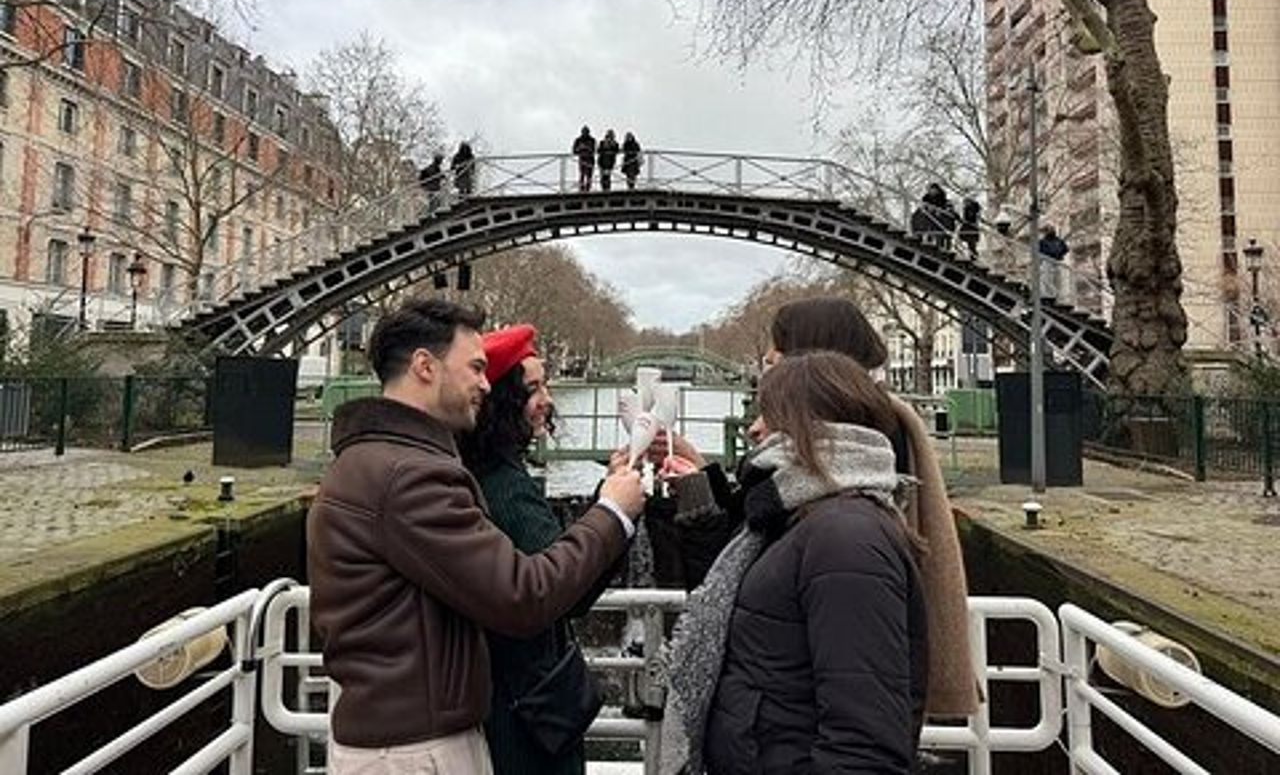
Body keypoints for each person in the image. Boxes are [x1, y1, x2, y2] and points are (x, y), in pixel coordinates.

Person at [307, 298, 644, 774]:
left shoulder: (371, 460)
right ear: (425, 366)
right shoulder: (412, 476)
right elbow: (523, 594)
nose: (484, 384)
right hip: (416, 750)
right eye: (476, 368)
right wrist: (613, 512)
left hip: (399, 734)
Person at [659, 352, 972, 773]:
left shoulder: (846, 540)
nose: (752, 429)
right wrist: (697, 493)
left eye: (768, 414)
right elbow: (745, 618)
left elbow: (863, 744)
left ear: (811, 426)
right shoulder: (799, 518)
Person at [457, 324, 608, 775]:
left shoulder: (478, 472)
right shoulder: (508, 491)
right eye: (534, 388)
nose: (547, 400)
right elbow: (568, 590)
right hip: (529, 713)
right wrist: (618, 512)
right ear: (503, 402)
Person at [1039, 224, 1070, 300]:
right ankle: (1051, 293)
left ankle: (1056, 294)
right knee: (1046, 279)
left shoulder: (1058, 241)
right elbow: (1039, 251)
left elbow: (1066, 249)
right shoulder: (1043, 241)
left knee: (1054, 279)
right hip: (1049, 261)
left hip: (1055, 261)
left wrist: (1058, 253)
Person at [572, 126, 596, 192]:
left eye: (586, 131)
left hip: (590, 159)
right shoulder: (578, 140)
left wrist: (587, 148)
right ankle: (581, 189)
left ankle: (588, 189)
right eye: (584, 131)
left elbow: (593, 150)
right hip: (582, 159)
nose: (585, 133)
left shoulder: (592, 140)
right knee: (582, 174)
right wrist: (580, 148)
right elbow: (574, 151)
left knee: (589, 175)